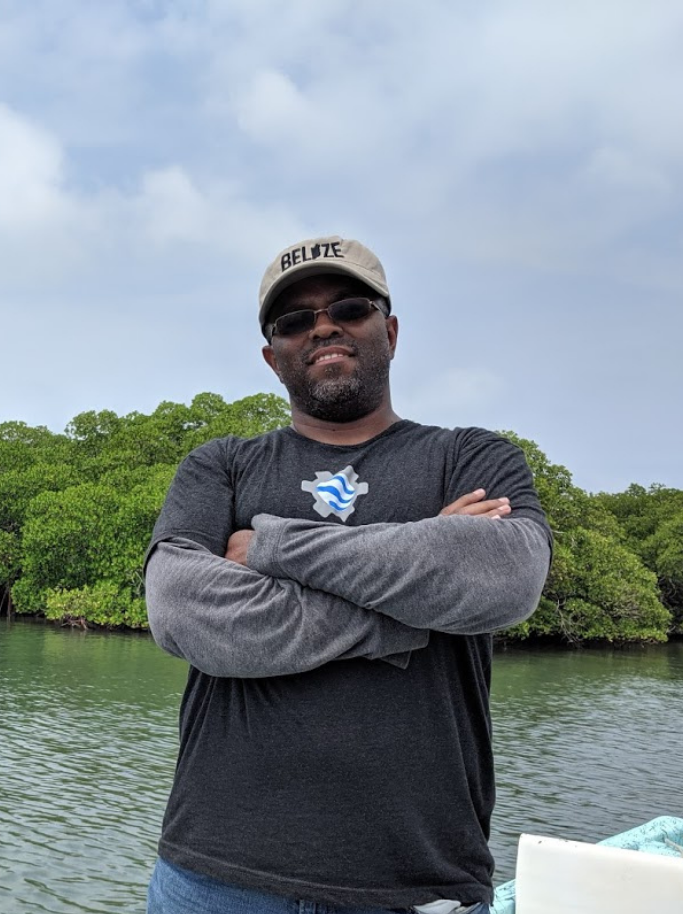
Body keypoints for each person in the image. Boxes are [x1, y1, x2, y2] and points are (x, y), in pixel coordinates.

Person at [143, 235, 552, 914]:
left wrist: (272, 546)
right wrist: (414, 591)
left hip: (417, 881)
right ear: (272, 357)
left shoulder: (471, 455)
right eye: (293, 321)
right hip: (214, 877)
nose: (322, 327)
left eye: (348, 308)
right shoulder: (220, 465)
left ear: (388, 331)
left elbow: (505, 577)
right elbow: (181, 611)